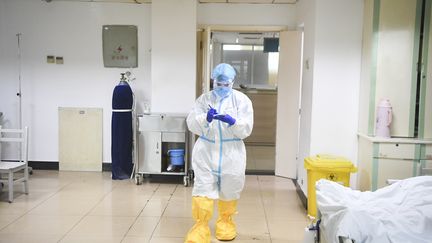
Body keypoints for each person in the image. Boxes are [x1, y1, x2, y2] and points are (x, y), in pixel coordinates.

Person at [185, 63, 254, 243]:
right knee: (202, 189)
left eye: (226, 84)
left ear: (232, 83)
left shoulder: (242, 100)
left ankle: (226, 223)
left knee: (230, 189)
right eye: (218, 84)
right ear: (213, 82)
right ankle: (200, 228)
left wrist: (233, 122)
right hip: (206, 152)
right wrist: (205, 118)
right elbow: (191, 123)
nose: (221, 88)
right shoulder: (203, 99)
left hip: (232, 154)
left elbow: (246, 128)